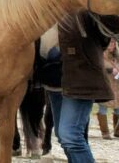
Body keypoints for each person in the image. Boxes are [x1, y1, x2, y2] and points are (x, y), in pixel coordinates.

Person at [51, 10, 119, 162]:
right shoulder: (48, 2)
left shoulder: (87, 6)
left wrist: (100, 1)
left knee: (70, 136)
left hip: (81, 77)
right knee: (63, 137)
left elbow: (111, 26)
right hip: (53, 78)